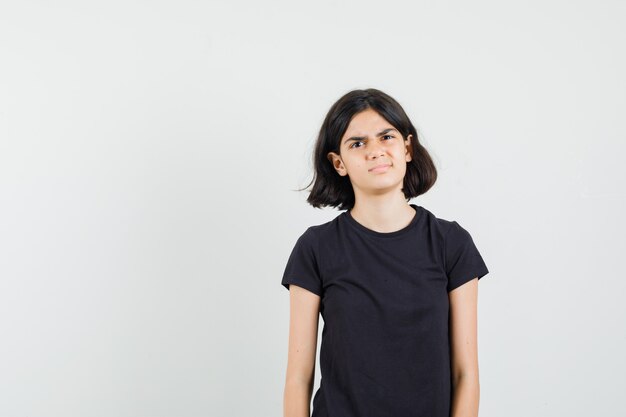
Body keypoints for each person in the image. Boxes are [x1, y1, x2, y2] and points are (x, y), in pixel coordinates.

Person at [281, 88, 490, 417]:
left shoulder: (451, 243)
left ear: (407, 148)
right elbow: (297, 379)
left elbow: (466, 375)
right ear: (338, 163)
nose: (375, 151)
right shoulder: (316, 248)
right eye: (358, 143)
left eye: (386, 137)